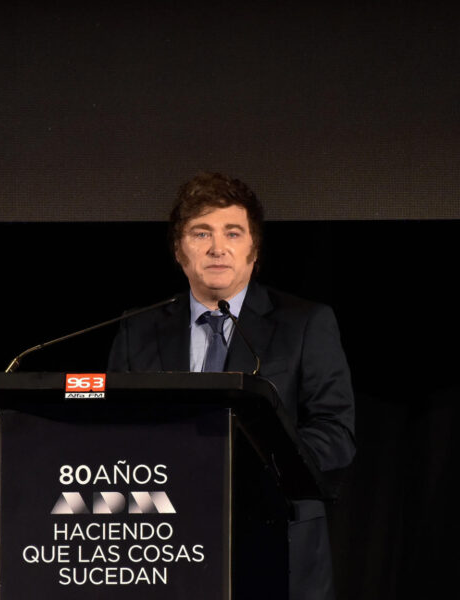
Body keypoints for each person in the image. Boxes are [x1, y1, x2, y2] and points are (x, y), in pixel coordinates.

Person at [107, 171, 355, 600]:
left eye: (233, 233)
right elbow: (111, 430)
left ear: (253, 249)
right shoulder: (137, 330)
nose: (218, 248)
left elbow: (336, 433)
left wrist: (252, 459)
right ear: (179, 251)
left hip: (277, 542)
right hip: (165, 545)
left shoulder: (305, 324)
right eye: (201, 233)